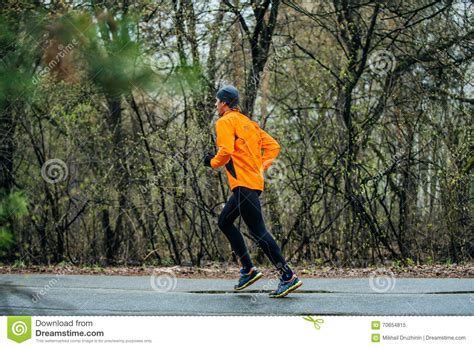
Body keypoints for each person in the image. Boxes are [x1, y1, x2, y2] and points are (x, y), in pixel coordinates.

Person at [203, 85, 303, 298]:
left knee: (259, 232)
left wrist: (211, 162)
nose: (215, 105)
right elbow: (274, 146)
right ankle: (248, 269)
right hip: (252, 184)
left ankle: (287, 277)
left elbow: (226, 150)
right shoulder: (249, 124)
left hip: (243, 184)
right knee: (224, 222)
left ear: (224, 103)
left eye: (217, 101)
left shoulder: (224, 122)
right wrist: (260, 167)